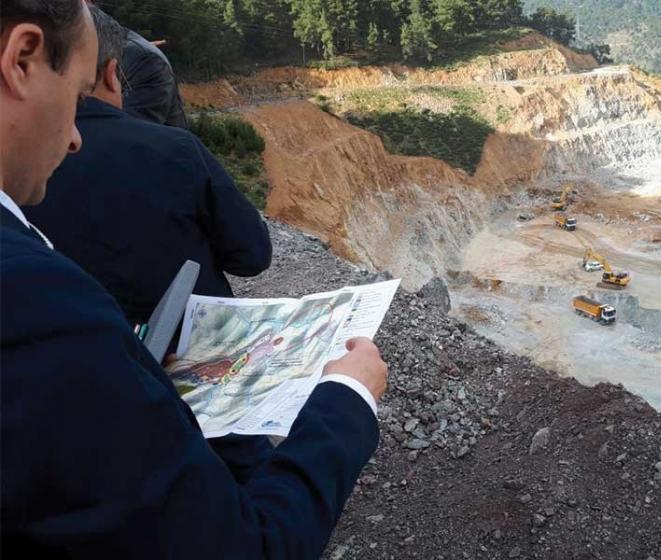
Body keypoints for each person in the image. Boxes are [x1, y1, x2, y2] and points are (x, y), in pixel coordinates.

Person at [0, 1, 387, 557]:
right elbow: (244, 546)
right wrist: (347, 395)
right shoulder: (41, 306)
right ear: (24, 59)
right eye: (76, 94)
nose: (77, 138)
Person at [24, 4, 272, 329]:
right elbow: (252, 255)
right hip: (199, 349)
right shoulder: (177, 149)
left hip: (84, 361)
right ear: (113, 74)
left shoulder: (18, 172)